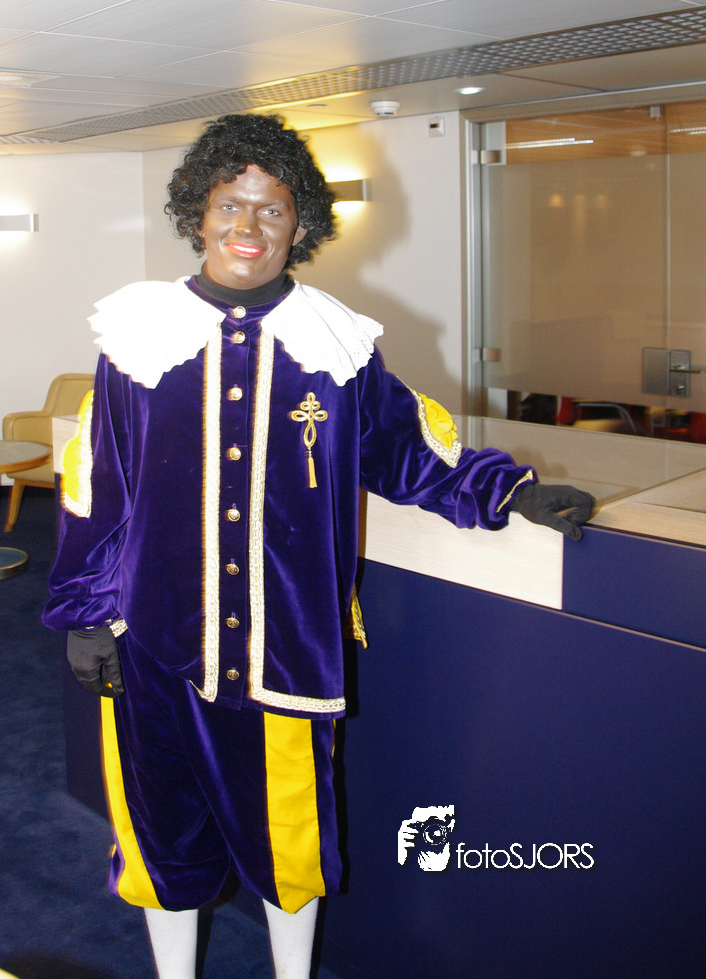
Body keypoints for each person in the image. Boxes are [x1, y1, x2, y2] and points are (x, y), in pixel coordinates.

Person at [43, 113, 593, 979]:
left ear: (299, 225)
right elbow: (93, 482)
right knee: (160, 835)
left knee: (290, 844)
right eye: (229, 205)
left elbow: (408, 448)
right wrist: (83, 610)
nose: (248, 227)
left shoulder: (334, 343)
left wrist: (509, 491)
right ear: (197, 215)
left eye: (271, 209)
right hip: (153, 644)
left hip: (287, 653)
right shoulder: (137, 337)